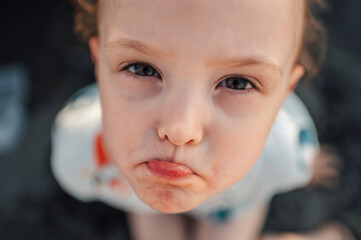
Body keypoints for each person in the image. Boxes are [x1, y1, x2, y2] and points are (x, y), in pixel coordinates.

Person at [51, 0, 355, 239]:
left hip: (236, 197)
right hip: (133, 191)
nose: (180, 130)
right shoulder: (82, 152)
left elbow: (295, 154)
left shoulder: (284, 152)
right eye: (143, 69)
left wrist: (307, 166)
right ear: (99, 64)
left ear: (283, 96)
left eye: (237, 82)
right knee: (148, 209)